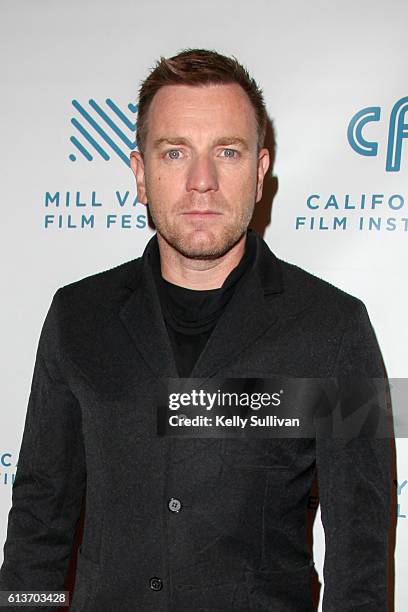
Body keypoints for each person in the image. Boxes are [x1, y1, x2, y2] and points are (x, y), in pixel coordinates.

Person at [0, 48, 391, 611]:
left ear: (260, 173)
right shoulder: (77, 317)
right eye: (175, 151)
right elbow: (40, 521)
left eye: (227, 152)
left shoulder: (335, 329)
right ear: (140, 173)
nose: (202, 181)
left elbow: (359, 556)